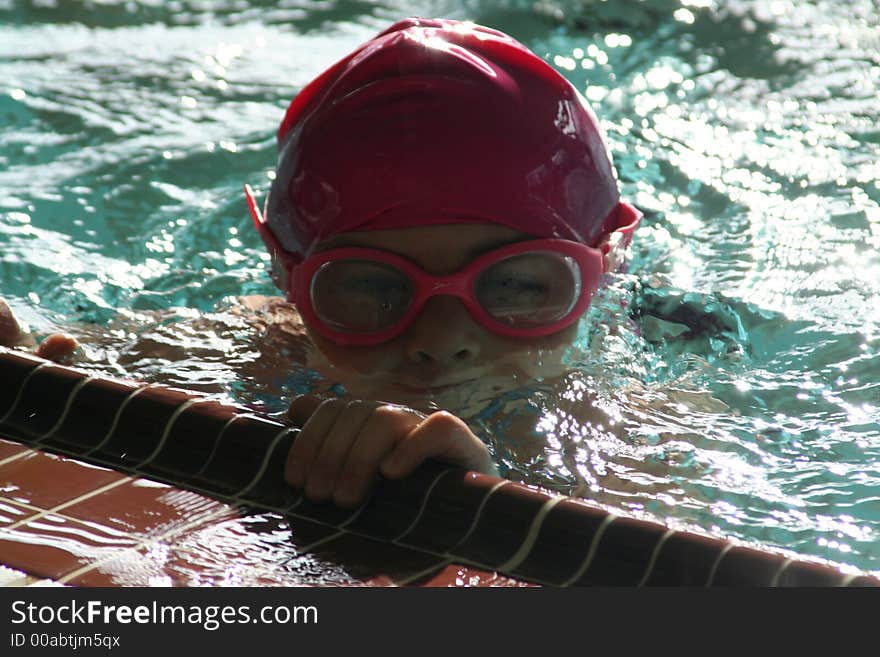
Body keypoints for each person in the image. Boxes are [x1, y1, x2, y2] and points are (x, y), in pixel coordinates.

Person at [0, 17, 641, 509]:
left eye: (515, 283)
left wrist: (486, 491)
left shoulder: (632, 420)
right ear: (288, 281)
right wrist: (29, 360)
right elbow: (58, 360)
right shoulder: (247, 345)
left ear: (603, 266)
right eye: (369, 285)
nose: (441, 343)